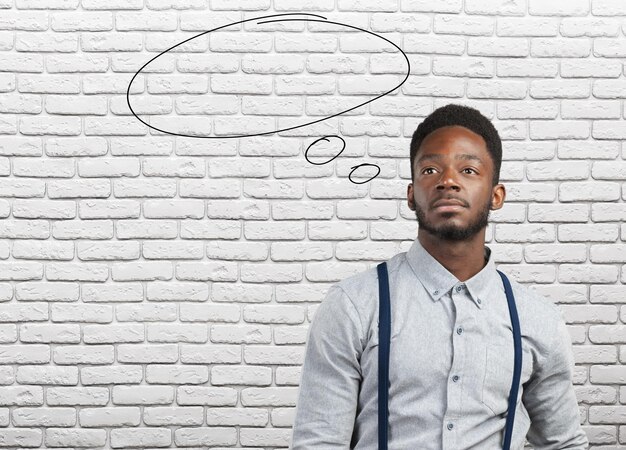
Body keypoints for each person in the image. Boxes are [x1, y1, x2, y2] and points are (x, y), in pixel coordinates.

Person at [290, 104, 589, 449]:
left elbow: (563, 443)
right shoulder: (354, 305)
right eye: (430, 169)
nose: (448, 181)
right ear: (411, 194)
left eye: (468, 170)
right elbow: (319, 442)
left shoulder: (537, 319)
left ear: (496, 195)